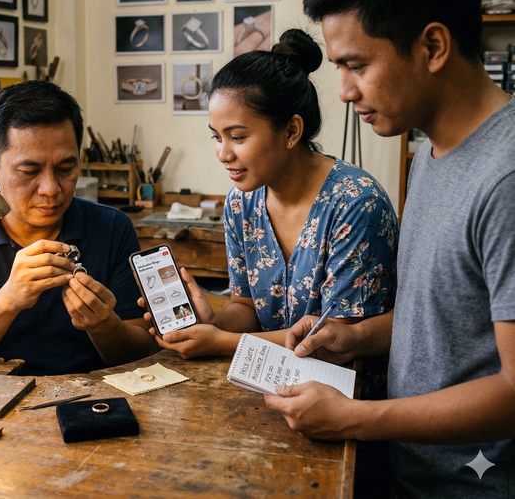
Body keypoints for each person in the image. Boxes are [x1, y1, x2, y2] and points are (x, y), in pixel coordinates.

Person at [262, 0, 515, 497]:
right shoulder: (430, 150)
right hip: (415, 471)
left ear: (432, 46)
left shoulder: (506, 177)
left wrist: (354, 418)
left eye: (357, 65)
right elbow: (455, 322)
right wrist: (356, 338)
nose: (346, 92)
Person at [143, 29, 398, 361]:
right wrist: (213, 323)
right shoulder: (241, 204)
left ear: (291, 131)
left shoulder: (356, 203)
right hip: (268, 384)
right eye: (216, 137)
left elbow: (334, 340)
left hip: (345, 397)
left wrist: (220, 341)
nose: (222, 153)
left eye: (237, 136)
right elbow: (246, 308)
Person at [0, 80, 155, 375]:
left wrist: (103, 325)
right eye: (30, 171)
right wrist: (8, 300)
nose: (51, 189)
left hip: (93, 402)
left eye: (66, 168)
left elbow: (143, 353)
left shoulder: (112, 228)